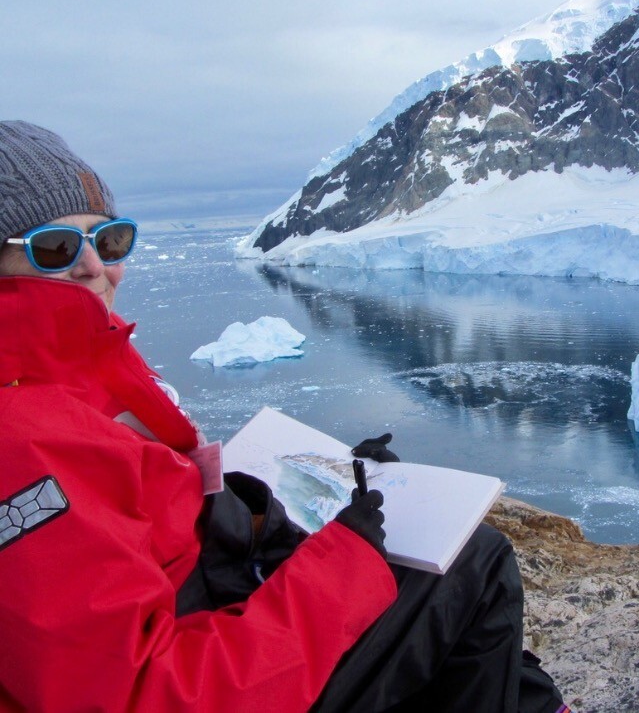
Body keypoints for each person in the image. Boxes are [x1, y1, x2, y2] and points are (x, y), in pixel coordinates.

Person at [0, 120, 568, 713]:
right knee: (471, 568)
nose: (97, 267)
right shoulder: (21, 443)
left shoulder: (66, 377)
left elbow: (154, 530)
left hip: (215, 616)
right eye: (55, 247)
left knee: (475, 628)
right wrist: (343, 566)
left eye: (109, 240)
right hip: (214, 676)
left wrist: (314, 490)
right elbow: (144, 694)